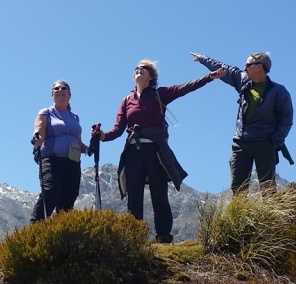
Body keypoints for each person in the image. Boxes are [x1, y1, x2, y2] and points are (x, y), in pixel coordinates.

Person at [91, 59, 225, 243]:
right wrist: (102, 136)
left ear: (152, 76)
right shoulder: (126, 101)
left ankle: (163, 235)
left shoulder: (159, 94)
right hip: (133, 151)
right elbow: (118, 129)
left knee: (159, 191)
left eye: (145, 68)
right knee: (134, 193)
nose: (140, 70)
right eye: (137, 68)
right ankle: (134, 235)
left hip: (155, 149)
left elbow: (184, 88)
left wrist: (209, 77)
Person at [191, 52, 294, 195]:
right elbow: (223, 68)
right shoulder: (243, 81)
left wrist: (274, 142)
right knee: (238, 188)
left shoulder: (279, 91)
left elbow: (286, 119)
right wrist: (202, 59)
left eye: (248, 65)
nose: (244, 68)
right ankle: (239, 217)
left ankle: (270, 217)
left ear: (259, 67)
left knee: (268, 189)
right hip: (241, 143)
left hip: (265, 143)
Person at [29, 80, 87, 224]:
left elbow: (78, 142)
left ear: (69, 94)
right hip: (51, 159)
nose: (60, 90)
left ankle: (62, 232)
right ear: (52, 95)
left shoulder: (75, 117)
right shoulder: (46, 113)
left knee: (69, 197)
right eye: (56, 88)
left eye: (63, 88)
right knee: (50, 192)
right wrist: (37, 138)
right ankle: (36, 226)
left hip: (72, 162)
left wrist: (90, 147)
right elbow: (39, 131)